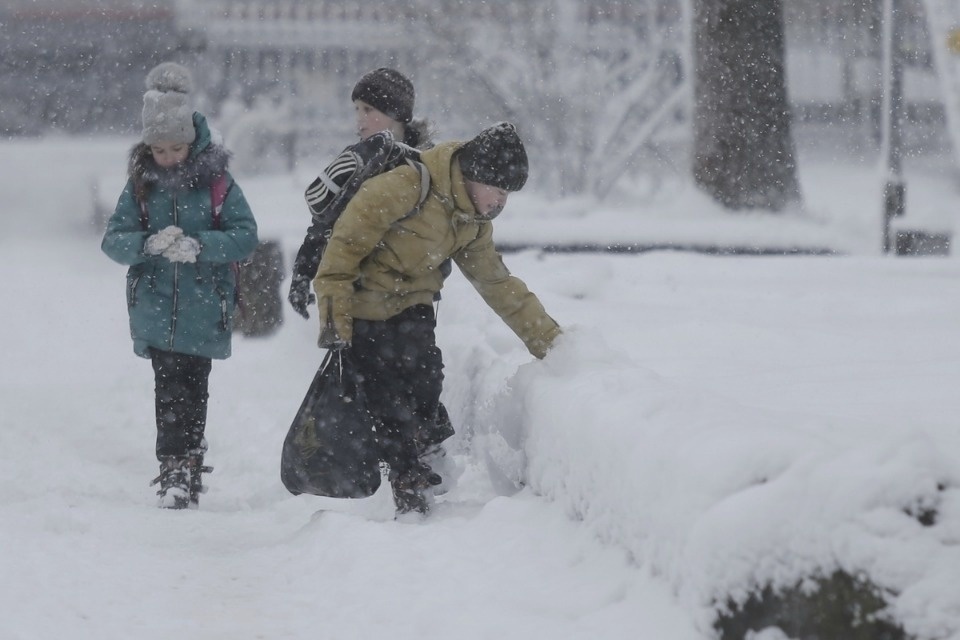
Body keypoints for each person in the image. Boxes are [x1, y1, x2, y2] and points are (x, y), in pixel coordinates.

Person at [312, 122, 562, 516]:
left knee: (426, 379)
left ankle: (425, 454)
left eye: (506, 195)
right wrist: (333, 325)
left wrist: (553, 345)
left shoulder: (471, 221)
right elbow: (339, 257)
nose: (500, 203)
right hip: (365, 307)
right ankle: (407, 479)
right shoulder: (404, 187)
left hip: (416, 305)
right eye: (497, 191)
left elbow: (498, 283)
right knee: (387, 395)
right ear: (474, 176)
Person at [101, 62, 259, 510]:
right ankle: (173, 466)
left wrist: (199, 245)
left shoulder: (218, 184)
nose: (167, 157)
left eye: (175, 148)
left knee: (195, 384)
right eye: (158, 149)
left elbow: (244, 234)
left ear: (191, 141)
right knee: (168, 387)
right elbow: (113, 240)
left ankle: (190, 459)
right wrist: (148, 244)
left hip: (205, 304)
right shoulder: (140, 187)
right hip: (156, 305)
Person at [287, 67, 435, 320]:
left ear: (395, 114)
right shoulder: (355, 159)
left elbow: (442, 231)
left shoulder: (429, 164)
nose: (360, 119)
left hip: (412, 304)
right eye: (357, 110)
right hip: (356, 299)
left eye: (368, 110)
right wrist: (302, 274)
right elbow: (323, 223)